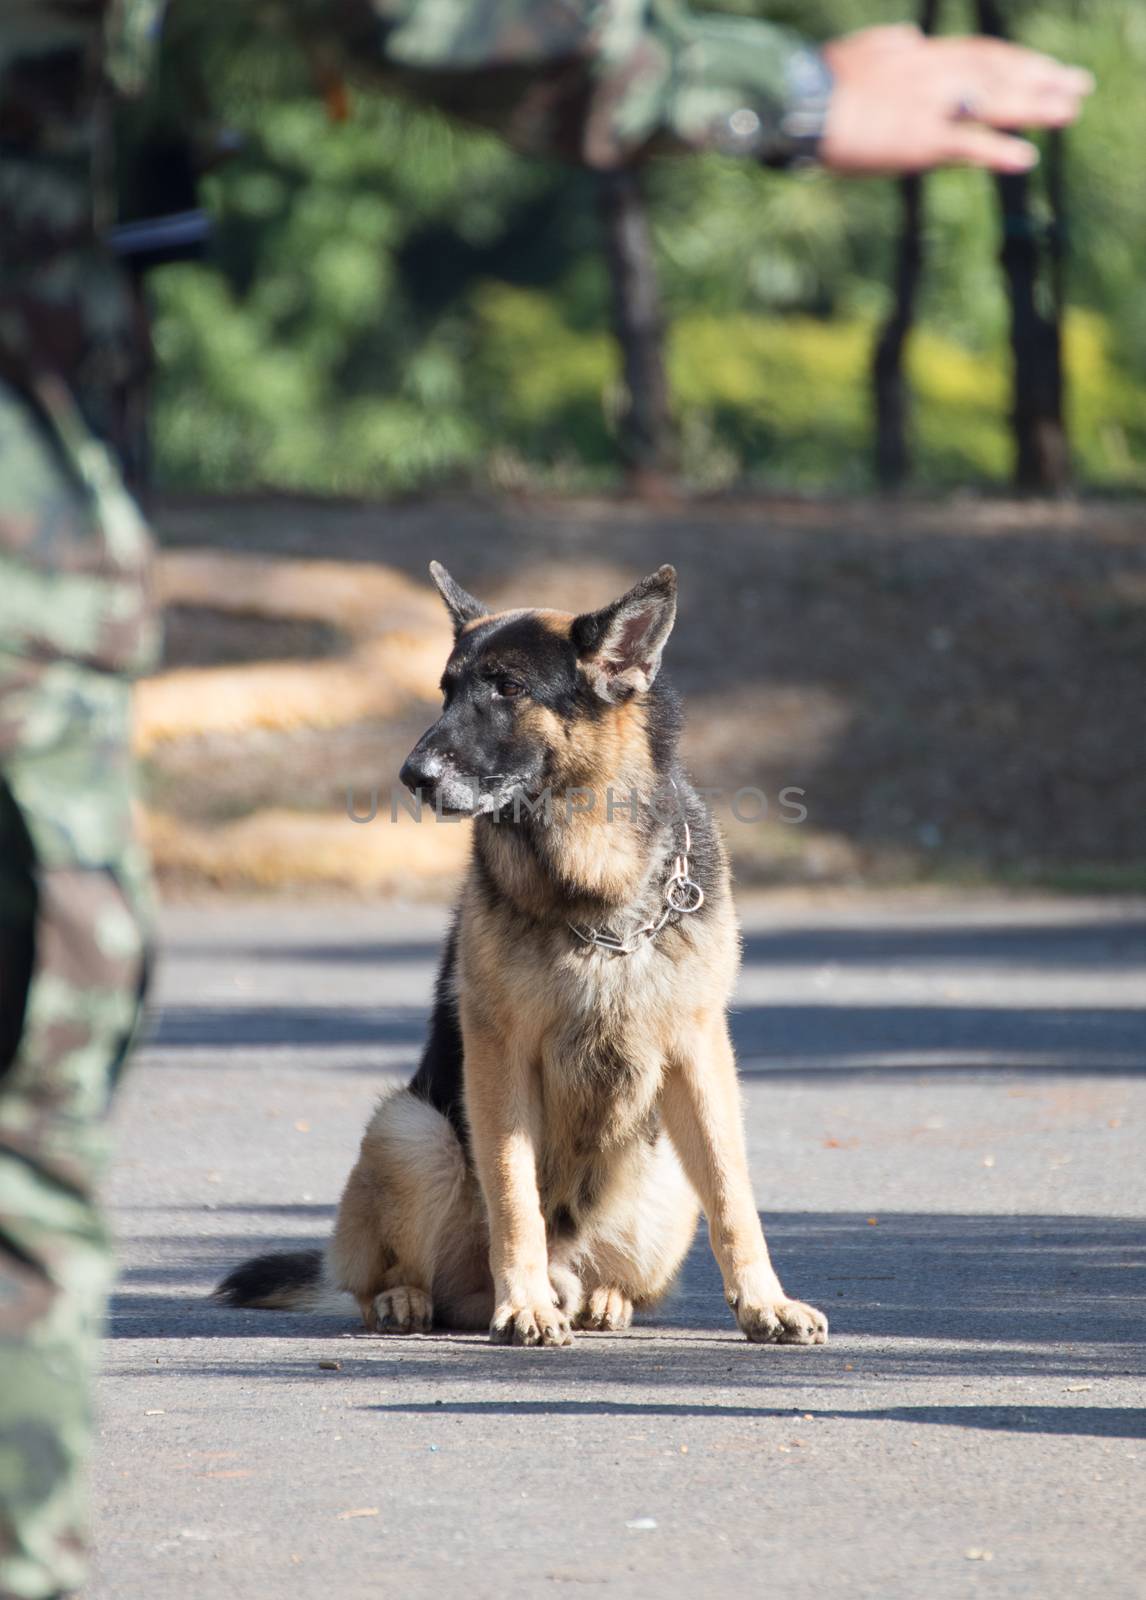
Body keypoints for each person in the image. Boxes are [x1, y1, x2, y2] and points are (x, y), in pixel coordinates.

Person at [0, 4, 1091, 1596]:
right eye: (455, 697)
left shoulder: (660, 813)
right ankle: (419, 1276)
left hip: (616, 1200)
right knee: (392, 1094)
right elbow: (482, 1067)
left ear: (613, 684)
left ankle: (631, 1271)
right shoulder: (495, 864)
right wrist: (503, 1268)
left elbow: (699, 1055)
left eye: (492, 701)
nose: (453, 737)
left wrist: (749, 1274)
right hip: (470, 1212)